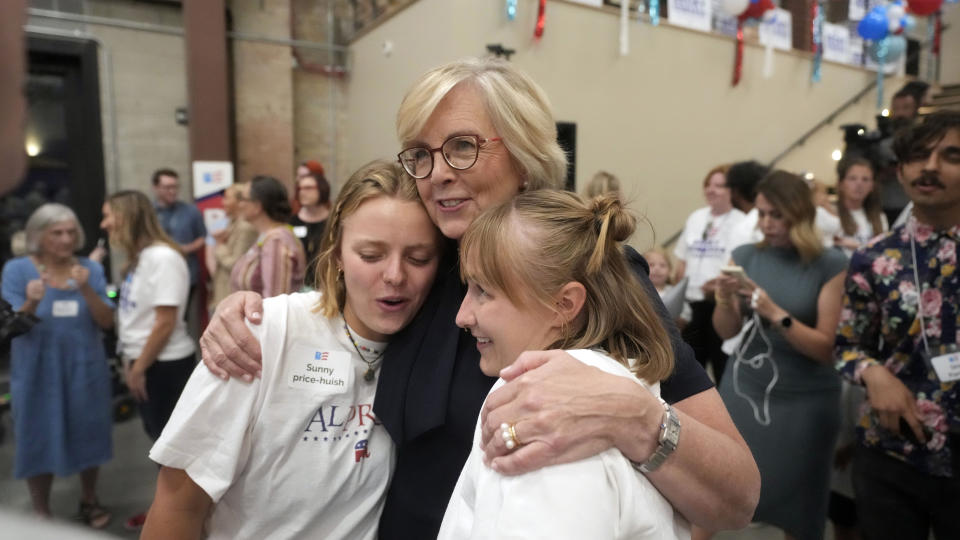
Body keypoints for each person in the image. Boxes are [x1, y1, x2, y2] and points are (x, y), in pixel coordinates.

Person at [200, 57, 760, 538]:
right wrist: (251, 314)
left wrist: (637, 418)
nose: (439, 172)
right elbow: (340, 314)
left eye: (462, 147)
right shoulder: (429, 261)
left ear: (523, 156)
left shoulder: (587, 272)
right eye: (420, 154)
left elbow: (736, 493)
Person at [142, 161, 443, 540]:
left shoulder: (436, 347)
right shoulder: (263, 335)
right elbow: (177, 505)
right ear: (336, 256)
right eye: (370, 255)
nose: (395, 276)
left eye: (419, 258)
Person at [441, 190, 688, 539]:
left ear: (563, 304)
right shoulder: (609, 380)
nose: (462, 316)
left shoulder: (546, 407)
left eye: (484, 291)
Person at [835, 111, 960, 540]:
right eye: (919, 156)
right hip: (893, 451)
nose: (930, 166)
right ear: (902, 171)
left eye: (950, 155)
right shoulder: (873, 257)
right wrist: (873, 372)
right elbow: (848, 344)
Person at [713, 171, 847, 540]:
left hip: (805, 399)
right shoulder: (744, 256)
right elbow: (727, 331)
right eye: (761, 214)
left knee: (800, 508)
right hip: (745, 389)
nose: (767, 225)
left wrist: (775, 313)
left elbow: (826, 348)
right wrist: (725, 300)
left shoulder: (830, 264)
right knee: (714, 493)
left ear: (799, 214)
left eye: (777, 215)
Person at [1, 204, 115, 528]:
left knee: (88, 430)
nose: (66, 239)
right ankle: (41, 513)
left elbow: (106, 322)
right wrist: (32, 301)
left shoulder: (90, 271)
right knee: (35, 434)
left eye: (70, 232)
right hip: (36, 369)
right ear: (38, 236)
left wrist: (86, 289)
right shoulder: (17, 270)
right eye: (57, 233)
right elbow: (8, 328)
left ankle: (89, 499)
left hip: (84, 367)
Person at [101, 190, 197, 530]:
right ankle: (166, 512)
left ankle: (179, 522)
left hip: (164, 366)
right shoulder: (141, 257)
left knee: (171, 452)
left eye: (109, 215)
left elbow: (165, 322)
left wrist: (140, 367)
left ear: (127, 217)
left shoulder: (162, 258)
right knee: (159, 446)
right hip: (146, 362)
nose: (104, 223)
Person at [674, 164, 745, 383]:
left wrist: (719, 287)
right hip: (693, 307)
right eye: (708, 185)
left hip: (722, 306)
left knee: (723, 370)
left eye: (719, 186)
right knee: (689, 373)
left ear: (732, 190)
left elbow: (740, 265)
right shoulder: (697, 217)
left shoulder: (741, 222)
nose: (711, 190)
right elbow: (682, 258)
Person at [230, 175, 306, 297]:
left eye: (243, 199)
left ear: (257, 206)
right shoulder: (267, 237)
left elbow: (275, 300)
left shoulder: (276, 241)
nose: (240, 204)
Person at [152, 169, 206, 317]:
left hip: (186, 274)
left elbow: (202, 237)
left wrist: (185, 248)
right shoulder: (148, 213)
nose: (172, 191)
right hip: (155, 275)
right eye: (167, 187)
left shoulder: (191, 211)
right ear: (155, 187)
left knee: (180, 318)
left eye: (175, 187)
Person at [205, 184, 258, 311]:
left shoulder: (245, 228)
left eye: (227, 198)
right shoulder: (231, 224)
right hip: (223, 292)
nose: (223, 203)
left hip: (234, 294)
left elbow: (235, 264)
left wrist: (219, 245)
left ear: (240, 202)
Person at [834, 156, 888, 256]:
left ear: (872, 186)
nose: (859, 184)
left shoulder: (880, 217)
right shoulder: (828, 214)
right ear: (840, 183)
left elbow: (883, 254)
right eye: (852, 178)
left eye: (865, 179)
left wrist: (857, 246)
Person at [290, 167, 331, 287]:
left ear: (322, 190)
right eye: (300, 188)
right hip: (298, 286)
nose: (302, 192)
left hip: (327, 285)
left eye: (308, 188)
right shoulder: (291, 222)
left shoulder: (334, 222)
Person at [645, 246, 691, 328]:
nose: (657, 269)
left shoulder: (676, 292)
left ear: (669, 270)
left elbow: (686, 315)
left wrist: (679, 319)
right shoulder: (639, 292)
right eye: (651, 265)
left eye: (662, 265)